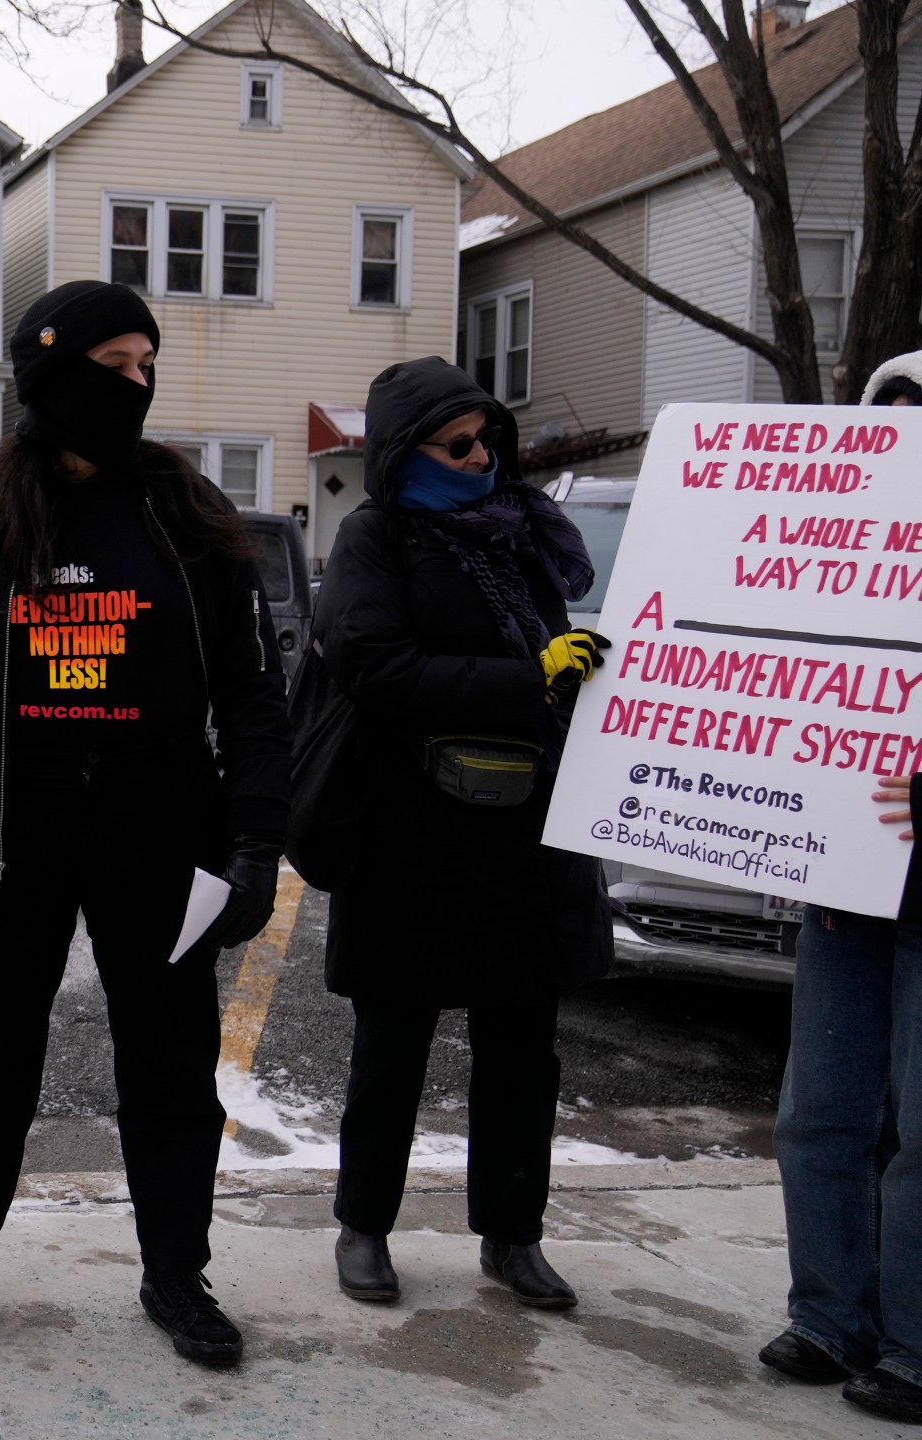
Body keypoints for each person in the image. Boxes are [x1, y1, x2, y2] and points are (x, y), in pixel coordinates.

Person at [0, 281, 290, 1366]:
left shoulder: (188, 517)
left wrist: (252, 843)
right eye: (116, 365)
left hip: (157, 842)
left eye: (147, 365)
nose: (138, 385)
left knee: (168, 1066)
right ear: (52, 371)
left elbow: (250, 696)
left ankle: (175, 1275)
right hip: (7, 844)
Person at [312, 358, 610, 1313]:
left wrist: (573, 674)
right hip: (408, 832)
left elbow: (555, 661)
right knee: (392, 1047)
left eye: (488, 438)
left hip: (524, 835)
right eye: (458, 442)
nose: (482, 456)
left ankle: (513, 1237)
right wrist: (532, 680)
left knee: (524, 1049)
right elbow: (376, 667)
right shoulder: (373, 538)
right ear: (408, 453)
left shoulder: (520, 539)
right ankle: (365, 1228)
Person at [754, 350, 922, 1426]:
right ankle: (829, 1319)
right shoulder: (838, 559)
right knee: (817, 1114)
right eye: (888, 422)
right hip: (847, 885)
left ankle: (910, 1345)